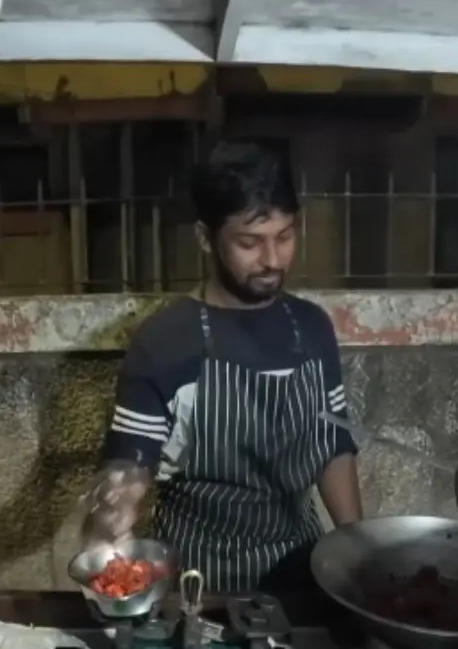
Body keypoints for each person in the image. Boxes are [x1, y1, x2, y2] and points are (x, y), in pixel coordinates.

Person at [82, 141, 363, 594]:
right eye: (249, 242)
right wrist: (110, 551)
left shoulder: (311, 330)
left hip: (298, 569)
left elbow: (333, 445)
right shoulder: (166, 342)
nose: (272, 260)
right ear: (204, 237)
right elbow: (127, 471)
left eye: (285, 236)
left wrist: (358, 549)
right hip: (199, 579)